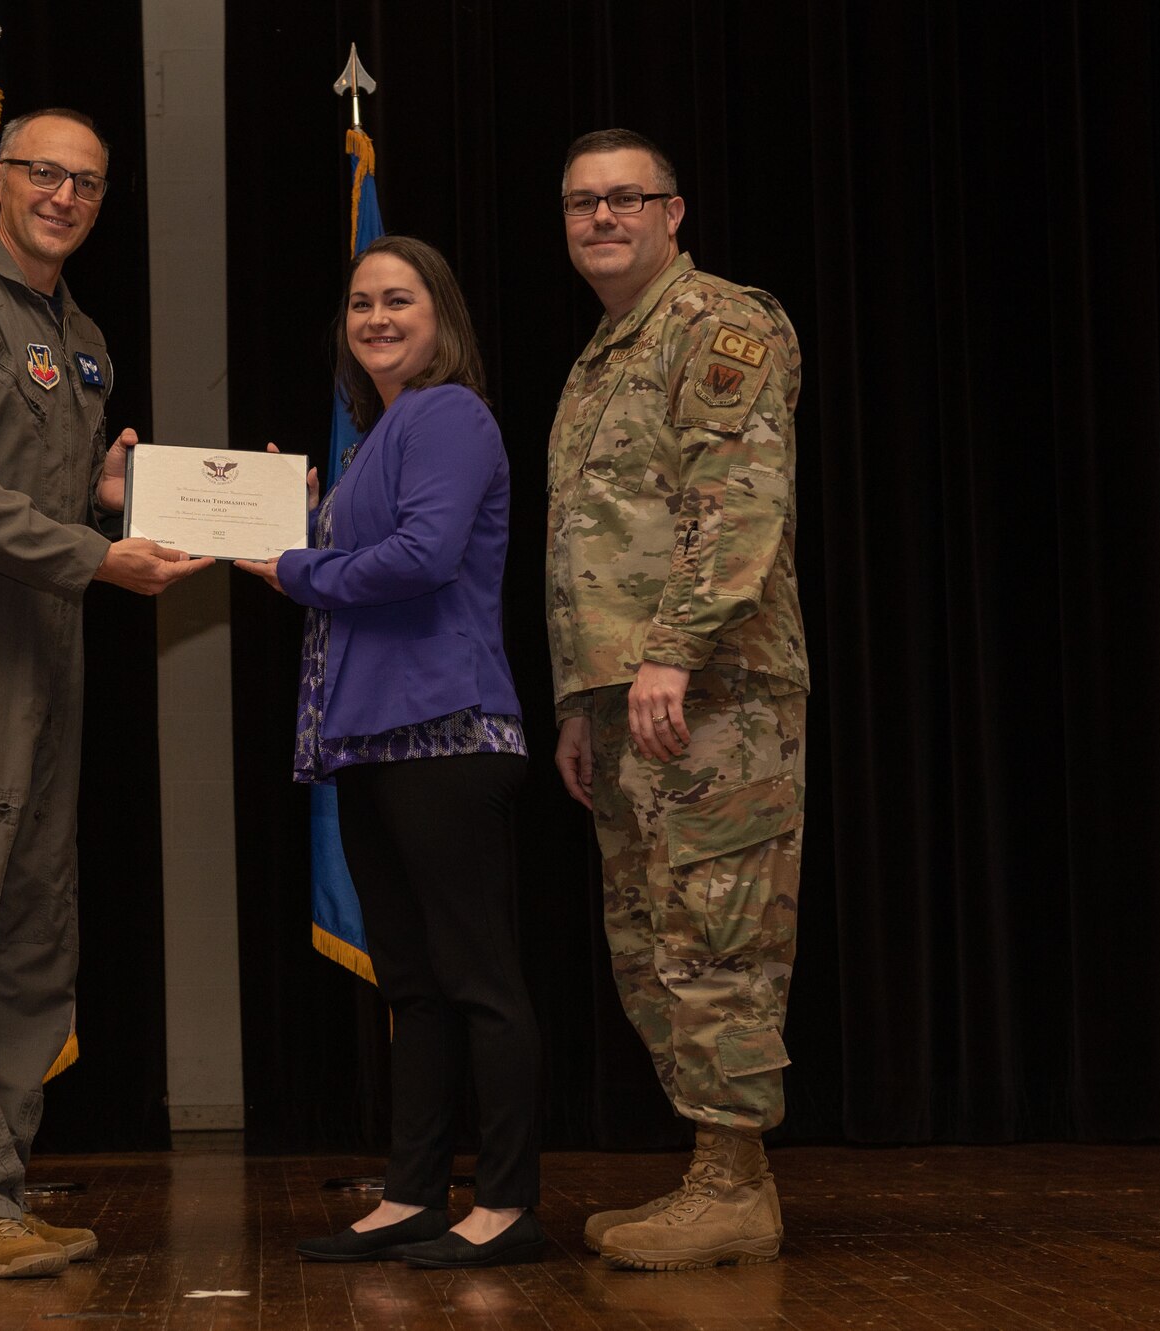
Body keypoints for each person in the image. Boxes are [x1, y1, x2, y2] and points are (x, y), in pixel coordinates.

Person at [0, 107, 209, 1280]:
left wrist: (110, 494)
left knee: (30, 923)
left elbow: (49, 501)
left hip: (44, 637)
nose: (63, 196)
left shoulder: (88, 342)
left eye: (87, 183)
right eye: (43, 174)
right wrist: (99, 555)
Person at [236, 236, 545, 1269]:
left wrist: (293, 561)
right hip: (373, 743)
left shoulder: (447, 412)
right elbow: (361, 550)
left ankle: (503, 1200)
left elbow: (422, 556)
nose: (374, 317)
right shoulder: (382, 434)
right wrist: (295, 513)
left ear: (439, 315)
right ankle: (412, 1191)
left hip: (444, 733)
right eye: (360, 303)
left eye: (397, 300)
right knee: (412, 983)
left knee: (476, 978)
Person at [546, 129, 810, 1272]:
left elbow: (735, 504)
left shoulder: (718, 325)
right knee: (649, 939)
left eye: (624, 200)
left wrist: (672, 653)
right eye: (580, 204)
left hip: (713, 692)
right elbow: (590, 546)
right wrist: (579, 698)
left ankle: (731, 1184)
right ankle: (717, 1174)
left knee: (716, 932)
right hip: (628, 696)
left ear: (673, 212)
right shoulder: (604, 353)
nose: (601, 219)